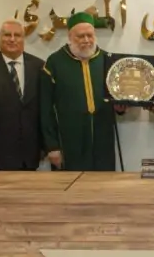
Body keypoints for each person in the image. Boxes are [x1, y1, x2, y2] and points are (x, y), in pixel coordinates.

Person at [40, 12, 125, 171]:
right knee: (70, 185)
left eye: (89, 35)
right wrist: (52, 146)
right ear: (70, 37)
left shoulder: (108, 60)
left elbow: (117, 98)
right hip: (69, 142)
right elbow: (45, 108)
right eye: (80, 36)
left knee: (103, 183)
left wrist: (120, 107)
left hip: (102, 141)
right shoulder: (54, 63)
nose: (86, 40)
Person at [0, 20, 45, 171]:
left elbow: (44, 109)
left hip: (31, 155)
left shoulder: (39, 66)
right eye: (7, 35)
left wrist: (46, 146)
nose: (12, 39)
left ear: (23, 38)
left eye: (17, 35)